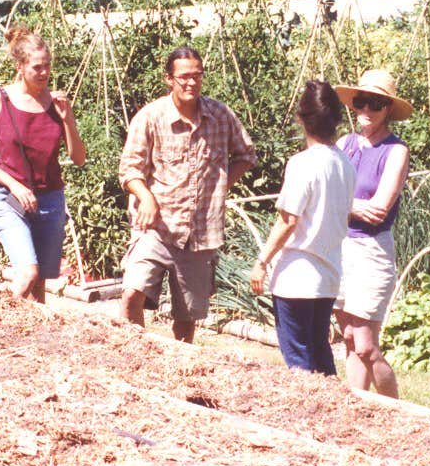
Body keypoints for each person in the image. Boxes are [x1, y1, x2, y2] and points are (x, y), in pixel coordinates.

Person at [118, 46, 256, 343]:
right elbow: (129, 170)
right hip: (155, 228)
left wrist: (221, 186)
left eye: (197, 75)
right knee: (131, 295)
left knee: (186, 317)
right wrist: (146, 197)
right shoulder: (150, 117)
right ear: (169, 79)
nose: (191, 83)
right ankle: (135, 355)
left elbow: (246, 155)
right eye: (184, 77)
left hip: (200, 234)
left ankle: (178, 365)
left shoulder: (220, 115)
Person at [0, 26, 86, 302]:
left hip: (50, 201)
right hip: (9, 199)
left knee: (39, 286)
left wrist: (68, 119)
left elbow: (79, 158)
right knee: (28, 273)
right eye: (37, 67)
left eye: (47, 66)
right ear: (20, 67)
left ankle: (31, 331)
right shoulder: (1, 99)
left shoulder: (57, 104)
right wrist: (15, 185)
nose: (44, 73)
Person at [249, 81, 355, 375]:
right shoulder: (345, 164)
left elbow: (288, 221)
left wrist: (262, 261)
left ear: (301, 118)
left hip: (297, 277)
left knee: (299, 363)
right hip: (328, 276)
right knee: (320, 354)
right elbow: (345, 218)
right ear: (336, 120)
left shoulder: (302, 164)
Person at [331, 69, 413, 398]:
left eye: (376, 104)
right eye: (361, 101)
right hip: (340, 247)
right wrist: (351, 205)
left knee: (366, 345)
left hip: (371, 251)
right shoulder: (344, 144)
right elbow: (325, 196)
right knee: (349, 338)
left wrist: (341, 203)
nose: (367, 109)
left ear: (388, 109)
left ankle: (396, 408)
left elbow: (378, 209)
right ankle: (359, 406)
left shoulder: (396, 151)